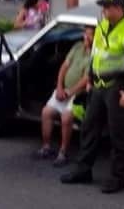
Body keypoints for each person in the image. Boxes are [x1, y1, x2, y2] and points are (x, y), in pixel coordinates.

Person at [61, 0, 124, 194]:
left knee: (118, 134)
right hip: (99, 86)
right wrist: (91, 78)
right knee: (89, 128)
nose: (104, 10)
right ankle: (83, 170)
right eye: (103, 6)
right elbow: (96, 54)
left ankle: (117, 178)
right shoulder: (101, 26)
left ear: (119, 8)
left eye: (108, 7)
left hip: (117, 87)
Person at [34, 26, 94, 167]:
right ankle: (46, 147)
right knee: (46, 112)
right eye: (85, 34)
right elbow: (64, 67)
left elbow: (86, 79)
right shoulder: (77, 47)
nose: (86, 37)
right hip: (63, 90)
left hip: (78, 94)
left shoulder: (95, 54)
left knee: (66, 117)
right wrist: (60, 87)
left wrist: (69, 92)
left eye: (90, 35)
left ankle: (63, 152)